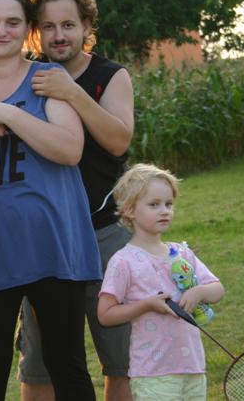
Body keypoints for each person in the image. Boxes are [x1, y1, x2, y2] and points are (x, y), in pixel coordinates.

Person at [0, 0, 135, 400]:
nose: (2, 30)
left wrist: (8, 113)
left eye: (13, 22)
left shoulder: (54, 79)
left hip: (68, 241)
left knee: (86, 364)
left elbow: (79, 148)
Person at [98, 164, 225, 401]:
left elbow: (217, 290)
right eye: (154, 204)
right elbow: (105, 314)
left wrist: (199, 292)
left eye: (169, 204)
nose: (164, 211)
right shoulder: (123, 261)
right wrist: (146, 305)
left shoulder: (182, 253)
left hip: (193, 369)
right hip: (153, 374)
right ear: (129, 210)